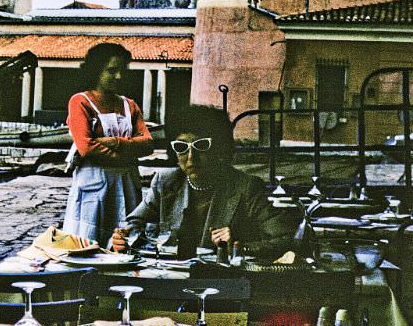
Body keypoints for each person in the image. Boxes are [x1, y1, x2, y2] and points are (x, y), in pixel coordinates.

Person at [111, 105, 296, 259]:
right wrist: (122, 239)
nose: (192, 158)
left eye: (201, 146)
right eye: (182, 147)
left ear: (219, 148)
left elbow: (289, 238)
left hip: (221, 283)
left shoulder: (245, 187)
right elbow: (133, 226)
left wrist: (240, 246)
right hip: (172, 276)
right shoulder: (165, 182)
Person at [62, 43, 154, 247]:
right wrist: (128, 154)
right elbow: (86, 146)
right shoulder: (81, 102)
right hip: (94, 185)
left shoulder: (129, 105)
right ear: (96, 70)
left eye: (123, 71)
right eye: (112, 71)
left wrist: (116, 142)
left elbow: (148, 143)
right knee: (89, 242)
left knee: (126, 240)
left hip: (127, 183)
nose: (119, 77)